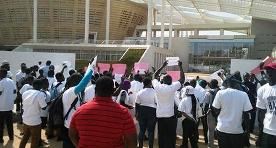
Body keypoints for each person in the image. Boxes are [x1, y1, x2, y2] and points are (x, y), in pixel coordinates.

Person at [69, 76, 137, 147]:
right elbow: (132, 141)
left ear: (95, 90)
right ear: (113, 90)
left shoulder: (80, 111)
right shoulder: (123, 113)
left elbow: (72, 134)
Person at [212, 76, 252, 148]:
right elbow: (247, 114)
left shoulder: (220, 93)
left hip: (222, 129)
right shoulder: (244, 95)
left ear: (228, 83)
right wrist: (247, 130)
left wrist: (216, 125)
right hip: (237, 130)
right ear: (237, 84)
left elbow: (215, 111)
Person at [152, 60, 185, 148]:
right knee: (171, 134)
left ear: (163, 81)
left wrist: (162, 66)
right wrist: (180, 67)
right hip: (170, 115)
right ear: (171, 82)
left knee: (161, 135)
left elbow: (154, 76)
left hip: (160, 115)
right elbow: (182, 80)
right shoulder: (172, 87)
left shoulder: (158, 86)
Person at [62, 62, 94, 148]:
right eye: (80, 80)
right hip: (70, 127)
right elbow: (83, 83)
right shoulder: (71, 91)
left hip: (73, 126)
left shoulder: (76, 93)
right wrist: (91, 69)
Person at [19, 79, 47, 148]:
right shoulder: (40, 94)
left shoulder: (25, 93)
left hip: (25, 120)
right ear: (41, 86)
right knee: (35, 139)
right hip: (35, 121)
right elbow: (44, 107)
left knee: (25, 137)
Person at [256, 62, 276, 148]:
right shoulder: (262, 90)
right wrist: (261, 132)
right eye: (267, 71)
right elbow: (261, 112)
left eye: (272, 71)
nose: (269, 73)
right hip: (267, 130)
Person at [136, 77, 157, 148]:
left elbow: (137, 103)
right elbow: (157, 103)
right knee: (151, 131)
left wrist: (137, 113)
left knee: (142, 130)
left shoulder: (140, 92)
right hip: (152, 111)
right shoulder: (154, 92)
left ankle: (140, 146)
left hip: (142, 111)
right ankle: (150, 146)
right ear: (150, 83)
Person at [0, 68, 16, 143]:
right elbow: (15, 91)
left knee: (1, 124)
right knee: (10, 123)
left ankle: (0, 139)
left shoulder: (1, 82)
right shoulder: (11, 81)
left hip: (1, 107)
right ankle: (11, 137)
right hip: (9, 106)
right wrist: (12, 99)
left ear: (2, 74)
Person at [203, 79, 220, 148]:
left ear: (212, 85)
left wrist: (204, 112)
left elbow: (206, 105)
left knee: (210, 130)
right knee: (220, 130)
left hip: (211, 113)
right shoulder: (221, 92)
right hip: (220, 113)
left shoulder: (208, 93)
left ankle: (211, 145)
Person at [194, 79, 208, 144]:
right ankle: (206, 139)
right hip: (202, 110)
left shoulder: (195, 88)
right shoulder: (204, 91)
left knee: (196, 124)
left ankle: (196, 138)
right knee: (205, 125)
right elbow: (204, 102)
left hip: (195, 109)